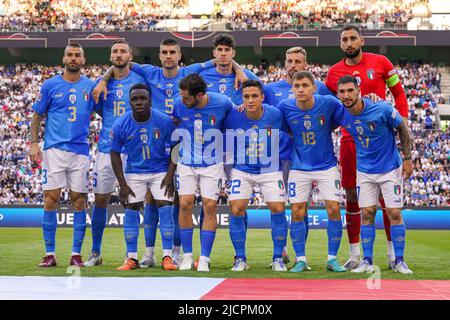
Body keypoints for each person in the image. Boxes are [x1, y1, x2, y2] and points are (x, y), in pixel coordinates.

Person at [93, 38, 247, 267]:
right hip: (159, 138)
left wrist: (239, 70)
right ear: (159, 54)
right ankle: (149, 253)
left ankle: (180, 252)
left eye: (172, 52)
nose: (168, 56)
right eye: (164, 52)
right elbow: (120, 62)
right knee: (155, 199)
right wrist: (103, 80)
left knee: (181, 200)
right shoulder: (150, 72)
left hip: (185, 142)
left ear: (179, 54)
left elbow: (221, 59)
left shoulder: (191, 72)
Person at [325, 25, 409, 270]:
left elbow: (399, 93)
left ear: (361, 40)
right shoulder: (333, 74)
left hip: (381, 137)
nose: (349, 43)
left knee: (387, 202)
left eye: (353, 38)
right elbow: (330, 104)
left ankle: (394, 256)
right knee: (354, 198)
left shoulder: (381, 62)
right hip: (351, 140)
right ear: (340, 44)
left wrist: (400, 120)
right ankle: (356, 254)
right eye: (344, 39)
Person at [336, 75, 413, 274]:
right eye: (342, 92)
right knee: (367, 214)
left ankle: (399, 261)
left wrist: (408, 158)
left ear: (358, 90)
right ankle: (367, 261)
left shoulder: (382, 108)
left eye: (350, 90)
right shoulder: (341, 114)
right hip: (365, 171)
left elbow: (403, 129)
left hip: (390, 169)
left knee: (394, 213)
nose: (346, 95)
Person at [264, 46, 334, 263]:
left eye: (297, 61)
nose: (293, 65)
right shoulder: (271, 89)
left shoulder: (320, 89)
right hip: (278, 155)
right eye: (289, 61)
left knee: (300, 206)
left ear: (306, 65)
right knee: (278, 204)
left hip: (308, 156)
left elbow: (331, 117)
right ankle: (281, 249)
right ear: (284, 64)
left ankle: (299, 256)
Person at [30, 43, 96, 267]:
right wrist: (33, 144)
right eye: (70, 55)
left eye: (78, 55)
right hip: (54, 150)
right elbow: (37, 116)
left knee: (80, 201)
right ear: (63, 58)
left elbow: (105, 113)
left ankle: (76, 254)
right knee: (51, 199)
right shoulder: (50, 85)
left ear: (83, 60)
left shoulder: (91, 86)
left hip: (80, 152)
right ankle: (50, 254)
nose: (74, 58)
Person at [277, 71, 346, 273]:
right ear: (292, 89)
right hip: (299, 168)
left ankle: (332, 259)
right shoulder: (285, 107)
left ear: (314, 88)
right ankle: (300, 259)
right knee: (297, 212)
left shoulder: (329, 103)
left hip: (327, 166)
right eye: (297, 86)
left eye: (305, 85)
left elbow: (346, 113)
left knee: (333, 209)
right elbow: (283, 128)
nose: (301, 89)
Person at [85, 40, 146, 267]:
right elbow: (99, 111)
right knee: (100, 199)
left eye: (123, 51)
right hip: (107, 149)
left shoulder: (140, 79)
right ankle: (95, 252)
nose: (119, 55)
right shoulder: (100, 86)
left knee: (134, 201)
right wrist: (103, 79)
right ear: (110, 56)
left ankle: (134, 254)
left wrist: (104, 77)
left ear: (130, 55)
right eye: (115, 52)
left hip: (135, 150)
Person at [223, 80, 291, 272]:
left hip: (270, 169)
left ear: (262, 97)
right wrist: (228, 170)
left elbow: (290, 133)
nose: (251, 100)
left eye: (255, 96)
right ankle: (240, 258)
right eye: (246, 96)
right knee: (236, 209)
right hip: (242, 169)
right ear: (242, 98)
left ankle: (278, 257)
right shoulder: (233, 117)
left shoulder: (275, 114)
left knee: (278, 208)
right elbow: (226, 142)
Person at [109, 83, 178, 271]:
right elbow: (114, 153)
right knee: (131, 209)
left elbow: (176, 147)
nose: (139, 102)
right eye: (135, 99)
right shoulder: (120, 124)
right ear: (129, 102)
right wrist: (122, 184)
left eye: (143, 98)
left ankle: (167, 257)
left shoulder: (164, 121)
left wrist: (170, 176)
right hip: (134, 172)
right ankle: (131, 258)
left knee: (165, 207)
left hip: (160, 170)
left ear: (150, 100)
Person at [173, 73, 233, 272]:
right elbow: (174, 123)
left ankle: (205, 258)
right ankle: (187, 256)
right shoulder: (179, 105)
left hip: (212, 163)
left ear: (199, 95)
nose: (182, 100)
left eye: (186, 97)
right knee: (184, 204)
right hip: (186, 161)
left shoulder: (223, 103)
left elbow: (234, 119)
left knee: (209, 207)